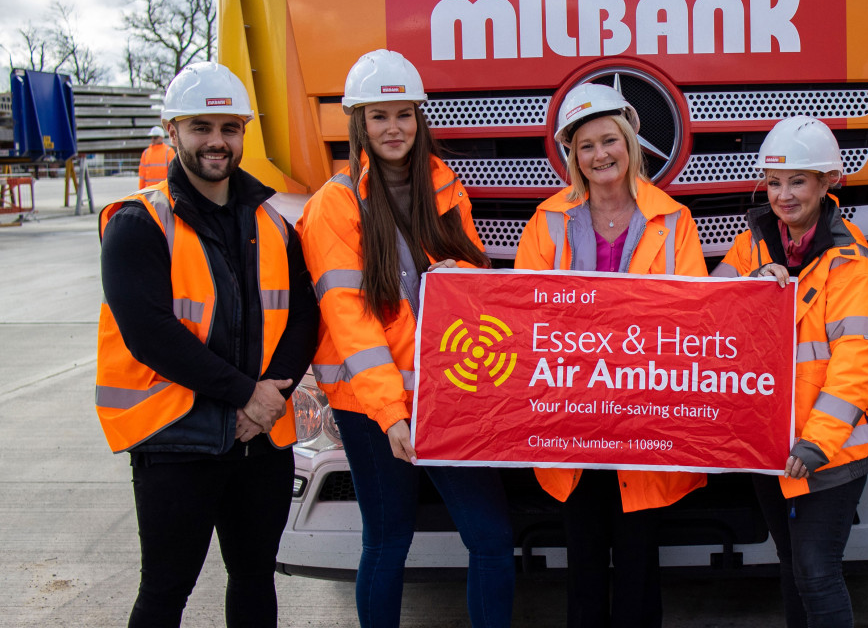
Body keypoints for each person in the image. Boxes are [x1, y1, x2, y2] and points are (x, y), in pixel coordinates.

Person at [96, 61, 319, 628]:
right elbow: (151, 335)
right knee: (166, 590)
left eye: (229, 127)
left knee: (253, 577)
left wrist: (270, 396)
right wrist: (248, 395)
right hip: (178, 440)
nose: (216, 141)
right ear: (172, 133)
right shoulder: (138, 223)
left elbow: (304, 317)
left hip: (259, 441)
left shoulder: (272, 222)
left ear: (243, 133)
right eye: (201, 127)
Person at [296, 49, 514, 628]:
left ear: (420, 119)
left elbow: (476, 283)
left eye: (404, 115)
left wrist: (459, 276)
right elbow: (351, 322)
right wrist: (393, 413)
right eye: (378, 116)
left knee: (491, 538)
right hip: (373, 408)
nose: (393, 129)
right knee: (387, 540)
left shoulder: (445, 186)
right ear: (358, 125)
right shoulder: (334, 206)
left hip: (449, 396)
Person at [514, 82, 707, 628]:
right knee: (584, 564)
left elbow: (692, 317)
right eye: (586, 146)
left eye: (609, 141)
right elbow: (523, 311)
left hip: (643, 421)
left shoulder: (674, 220)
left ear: (629, 141)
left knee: (640, 565)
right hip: (569, 418)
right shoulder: (548, 219)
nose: (600, 155)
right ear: (572, 156)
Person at [712, 116, 868, 628]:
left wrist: (813, 444)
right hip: (769, 446)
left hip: (828, 451)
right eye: (774, 182)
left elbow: (857, 370)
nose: (784, 195)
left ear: (827, 182)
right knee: (795, 565)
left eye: (797, 180)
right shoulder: (751, 246)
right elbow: (707, 316)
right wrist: (751, 284)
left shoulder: (855, 268)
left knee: (816, 570)